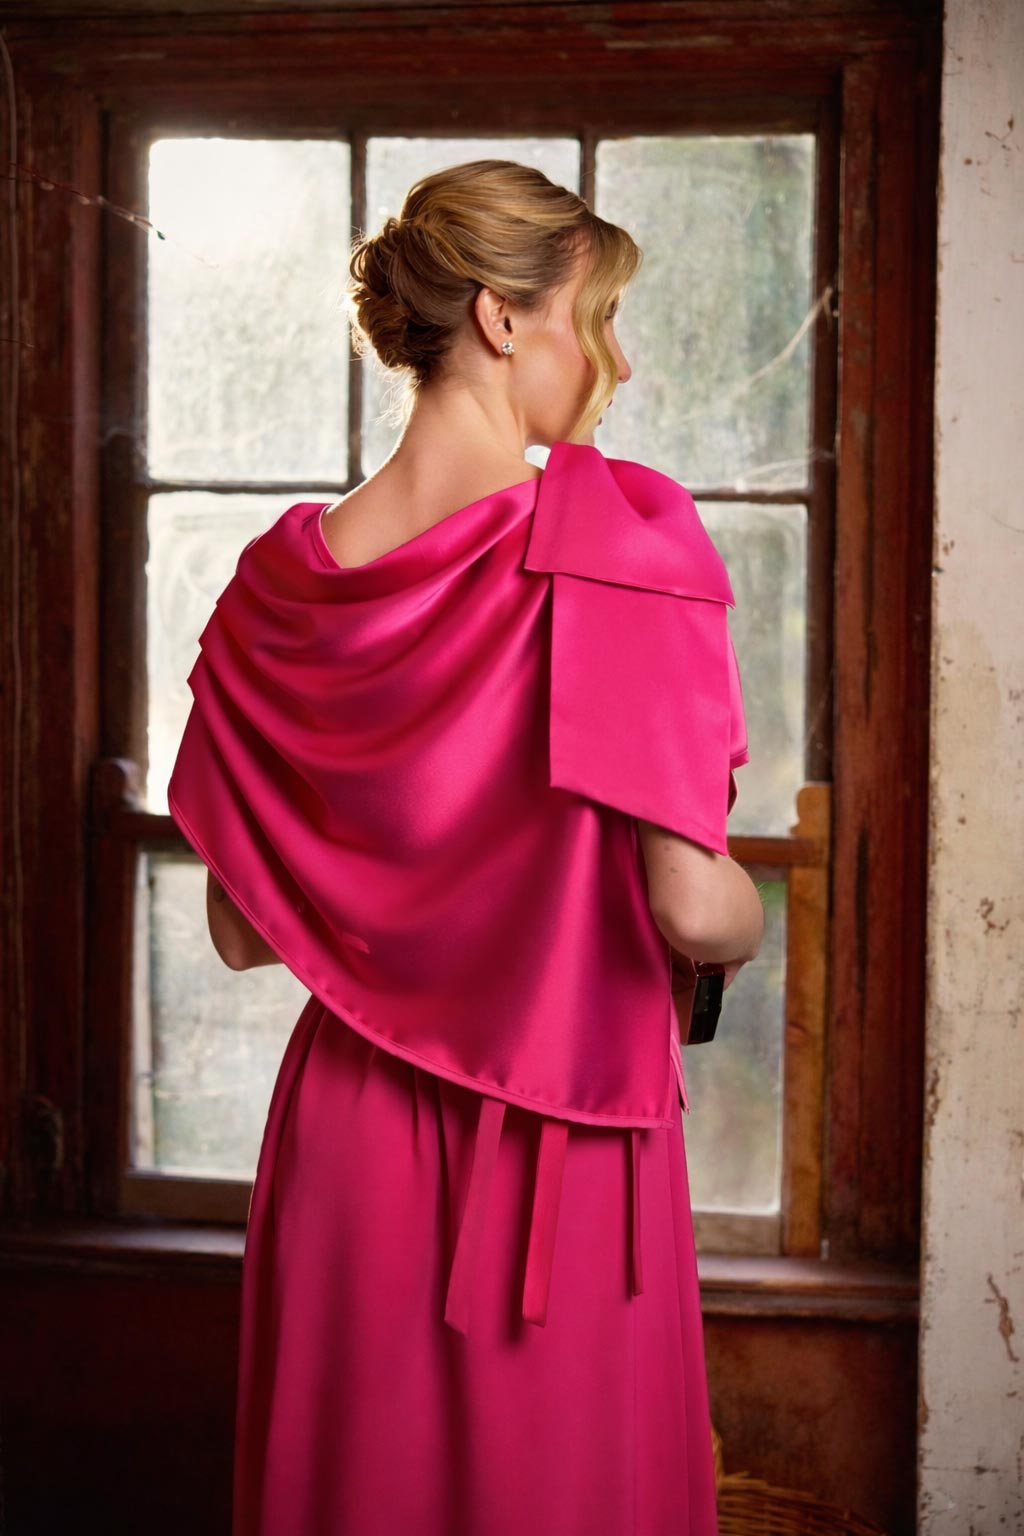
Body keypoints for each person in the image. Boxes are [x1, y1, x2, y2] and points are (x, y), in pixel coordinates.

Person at [169, 158, 765, 1536]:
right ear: (502, 319)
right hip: (562, 1140)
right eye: (591, 317)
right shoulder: (621, 543)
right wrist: (746, 919)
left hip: (352, 1132)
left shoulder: (277, 587)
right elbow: (692, 908)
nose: (611, 359)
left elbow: (242, 930)